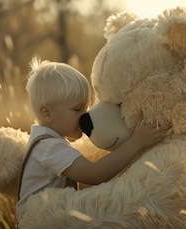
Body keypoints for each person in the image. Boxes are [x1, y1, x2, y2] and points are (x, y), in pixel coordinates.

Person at [16, 58, 170, 223]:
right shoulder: (49, 147)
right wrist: (136, 142)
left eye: (87, 107)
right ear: (47, 113)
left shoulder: (43, 141)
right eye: (77, 109)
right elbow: (94, 174)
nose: (85, 115)